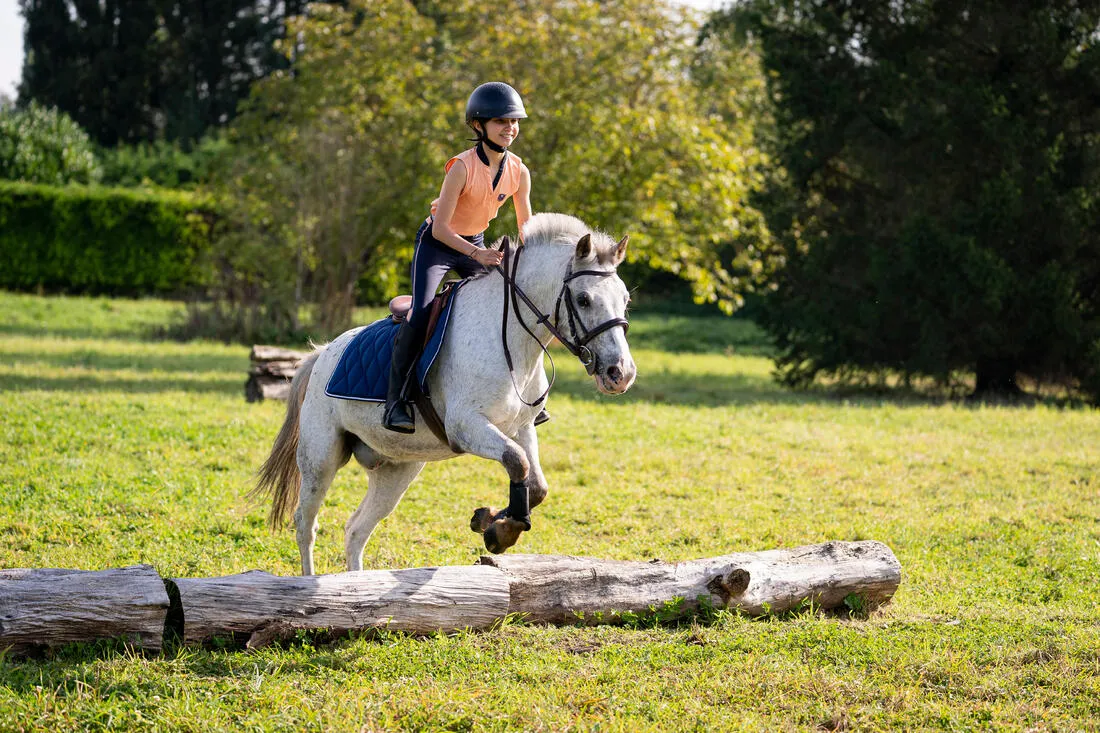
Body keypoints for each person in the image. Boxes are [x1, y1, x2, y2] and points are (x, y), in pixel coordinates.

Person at [383, 82, 550, 433]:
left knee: (515, 304)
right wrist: (478, 254)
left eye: (514, 121)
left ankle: (528, 396)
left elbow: (525, 226)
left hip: (475, 242)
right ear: (479, 126)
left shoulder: (520, 172)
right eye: (500, 121)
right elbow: (441, 229)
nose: (510, 128)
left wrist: (540, 257)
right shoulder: (461, 167)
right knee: (421, 314)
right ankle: (395, 402)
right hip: (437, 245)